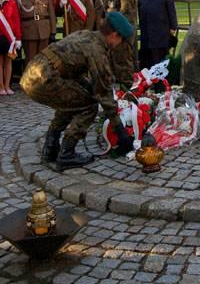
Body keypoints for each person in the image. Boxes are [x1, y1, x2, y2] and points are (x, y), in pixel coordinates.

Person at [20, 12, 135, 170]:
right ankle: (67, 153)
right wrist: (121, 132)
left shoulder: (86, 34)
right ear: (114, 34)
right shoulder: (97, 52)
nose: (120, 43)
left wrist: (88, 88)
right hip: (43, 79)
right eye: (121, 38)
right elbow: (104, 94)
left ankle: (50, 148)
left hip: (32, 75)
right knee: (88, 106)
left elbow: (72, 67)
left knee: (72, 101)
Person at [105, 0, 138, 87]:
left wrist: (117, 28)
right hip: (116, 26)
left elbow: (126, 8)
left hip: (123, 27)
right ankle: (121, 98)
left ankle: (128, 96)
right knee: (116, 61)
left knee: (124, 63)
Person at [15, 0, 56, 64]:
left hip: (44, 30)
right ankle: (30, 78)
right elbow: (17, 16)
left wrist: (53, 31)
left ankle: (43, 78)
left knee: (44, 58)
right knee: (30, 59)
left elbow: (51, 13)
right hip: (28, 31)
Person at [138, 0, 178, 68]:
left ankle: (160, 79)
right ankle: (147, 77)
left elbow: (171, 9)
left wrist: (173, 26)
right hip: (146, 30)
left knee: (160, 55)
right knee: (147, 55)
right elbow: (140, 9)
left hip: (161, 30)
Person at [0, 0, 22, 95]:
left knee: (8, 62)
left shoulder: (11, 3)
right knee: (0, 62)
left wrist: (18, 38)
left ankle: (8, 86)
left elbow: (16, 21)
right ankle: (1, 87)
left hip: (9, 38)